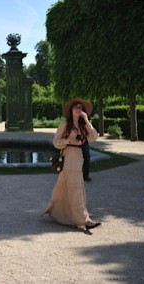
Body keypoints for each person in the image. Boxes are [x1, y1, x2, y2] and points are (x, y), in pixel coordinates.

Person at [43, 97, 101, 230]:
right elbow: (56, 142)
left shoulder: (83, 125)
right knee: (75, 190)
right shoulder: (65, 124)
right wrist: (69, 141)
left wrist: (86, 120)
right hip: (68, 157)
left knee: (73, 188)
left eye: (80, 107)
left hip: (78, 158)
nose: (78, 109)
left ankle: (59, 211)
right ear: (71, 110)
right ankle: (84, 219)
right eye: (76, 107)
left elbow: (94, 137)